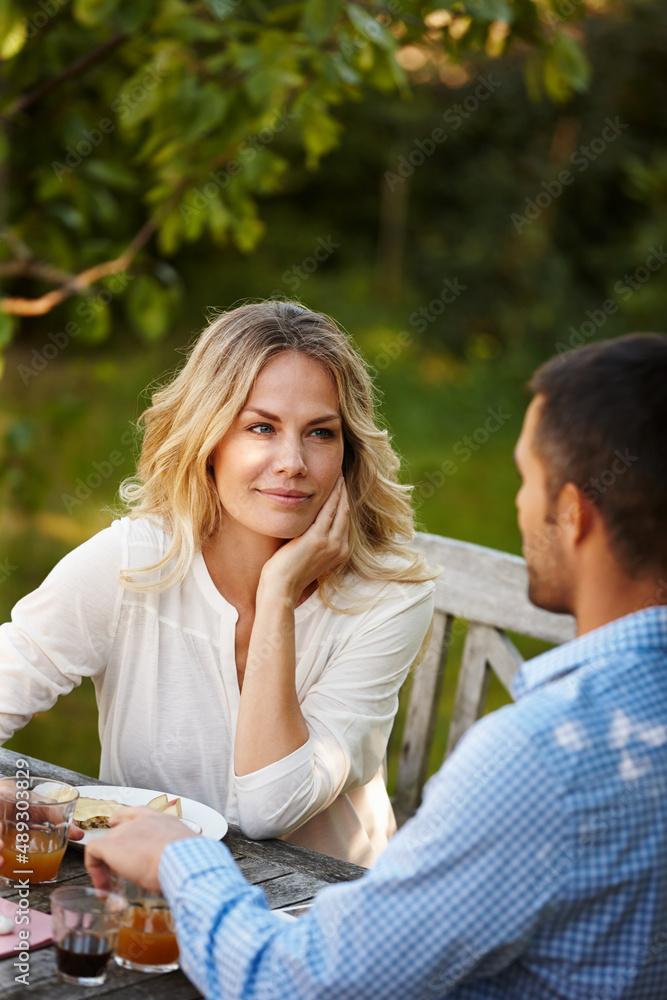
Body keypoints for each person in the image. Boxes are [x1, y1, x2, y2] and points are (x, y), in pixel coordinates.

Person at [80, 333, 667, 999]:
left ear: (571, 514)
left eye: (525, 479)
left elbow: (291, 985)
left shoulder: (539, 759)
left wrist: (177, 858)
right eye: (261, 427)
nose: (514, 504)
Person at [0, 301, 437, 866]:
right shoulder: (129, 565)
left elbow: (271, 808)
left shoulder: (389, 599)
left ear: (349, 451)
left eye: (321, 433)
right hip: (141, 896)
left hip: (320, 916)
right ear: (209, 442)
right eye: (261, 427)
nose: (293, 462)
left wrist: (278, 594)